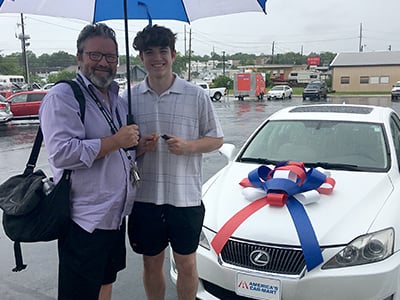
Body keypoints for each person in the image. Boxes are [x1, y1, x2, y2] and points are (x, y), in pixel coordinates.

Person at [122, 24, 224, 300]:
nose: (157, 58)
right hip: (145, 198)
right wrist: (139, 148)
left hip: (185, 198)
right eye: (149, 52)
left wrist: (189, 146)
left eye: (163, 51)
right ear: (140, 58)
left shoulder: (197, 95)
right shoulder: (127, 99)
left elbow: (216, 140)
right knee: (151, 263)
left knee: (187, 264)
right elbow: (120, 150)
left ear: (174, 54)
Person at [39, 23, 140, 300]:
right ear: (79, 57)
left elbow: (118, 151)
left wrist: (137, 147)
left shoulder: (117, 101)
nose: (103, 63)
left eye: (110, 57)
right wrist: (116, 141)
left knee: (105, 284)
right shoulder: (64, 96)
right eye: (95, 55)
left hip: (115, 216)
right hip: (83, 221)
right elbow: (62, 153)